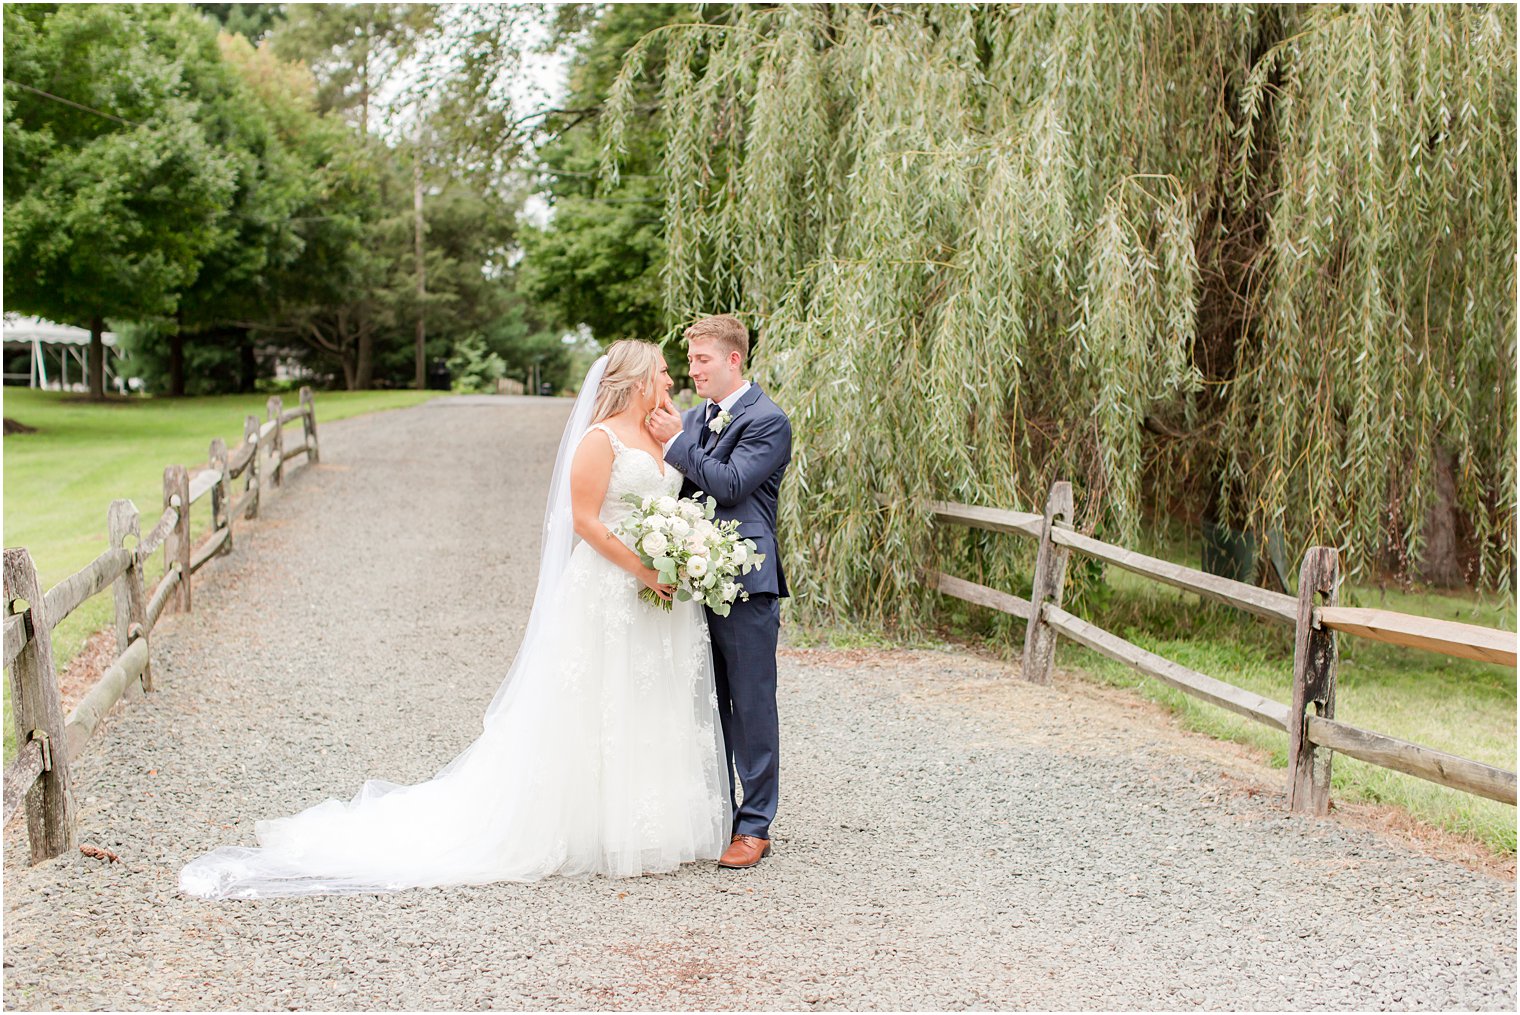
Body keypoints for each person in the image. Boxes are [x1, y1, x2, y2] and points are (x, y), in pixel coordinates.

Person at [179, 341, 731, 898]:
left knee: (647, 695)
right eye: (662, 372)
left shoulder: (665, 434)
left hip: (659, 591)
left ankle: (649, 821)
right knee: (599, 697)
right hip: (611, 588)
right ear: (637, 380)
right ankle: (591, 826)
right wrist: (642, 568)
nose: (670, 380)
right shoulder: (599, 439)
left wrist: (680, 554)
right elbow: (585, 522)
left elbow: (674, 502)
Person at [647, 314, 792, 869]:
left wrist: (678, 444)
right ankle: (715, 815)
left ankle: (755, 826)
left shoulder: (768, 420)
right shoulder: (690, 418)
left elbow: (731, 484)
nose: (693, 370)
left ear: (734, 359)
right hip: (694, 581)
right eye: (689, 361)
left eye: (702, 359)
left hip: (747, 579)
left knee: (751, 704)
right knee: (704, 702)